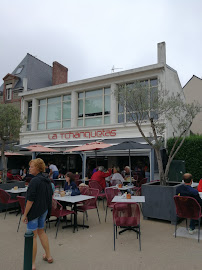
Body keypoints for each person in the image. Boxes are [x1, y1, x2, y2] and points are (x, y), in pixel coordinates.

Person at [22, 158, 53, 270]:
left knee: (33, 236)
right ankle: (48, 256)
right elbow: (50, 196)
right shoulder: (47, 180)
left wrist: (25, 214)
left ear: (37, 168)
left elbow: (30, 200)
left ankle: (32, 263)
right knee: (41, 232)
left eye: (31, 166)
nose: (29, 168)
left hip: (34, 211)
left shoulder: (34, 181)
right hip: (43, 210)